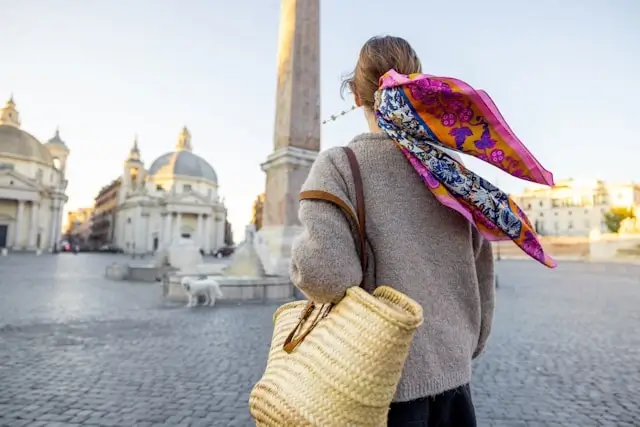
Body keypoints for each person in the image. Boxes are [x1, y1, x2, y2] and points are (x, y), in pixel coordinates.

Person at [289, 35, 556, 427]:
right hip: (455, 384)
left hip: (380, 389)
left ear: (354, 95)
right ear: (415, 86)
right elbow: (482, 274)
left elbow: (326, 276)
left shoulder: (340, 166)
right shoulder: (452, 174)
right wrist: (461, 347)